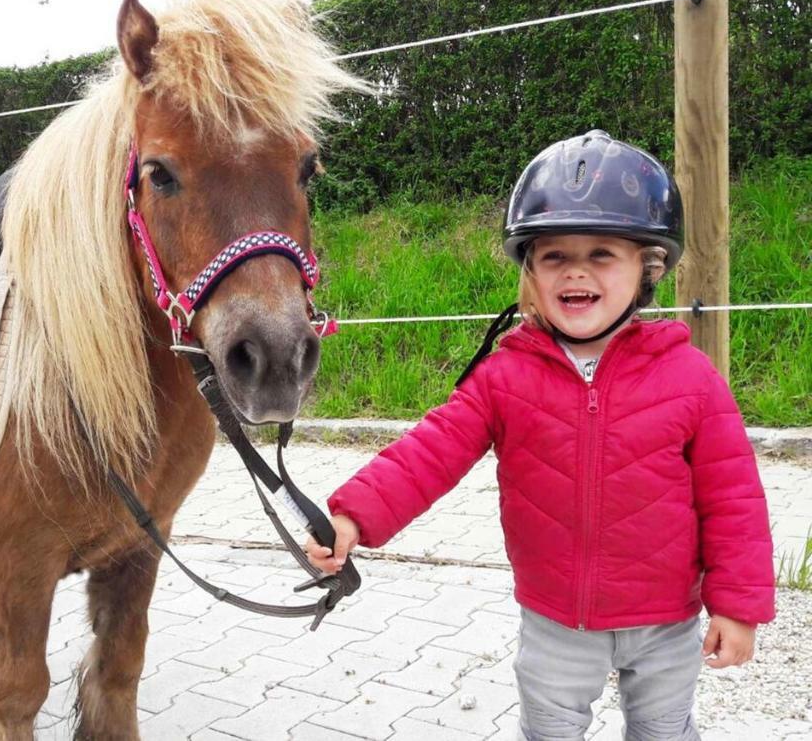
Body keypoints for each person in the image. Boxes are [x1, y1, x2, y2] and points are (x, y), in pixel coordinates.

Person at [307, 130, 775, 740]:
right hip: (555, 621)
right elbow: (431, 450)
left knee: (665, 732)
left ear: (649, 266)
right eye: (554, 256)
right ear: (530, 270)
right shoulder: (506, 374)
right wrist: (351, 517)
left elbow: (733, 497)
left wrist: (738, 609)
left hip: (666, 621)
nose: (576, 269)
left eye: (603, 253)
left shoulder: (689, 376)